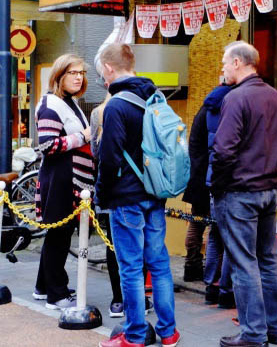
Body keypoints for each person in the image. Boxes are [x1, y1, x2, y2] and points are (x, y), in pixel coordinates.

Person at [96, 43, 180, 347]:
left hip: (126, 198)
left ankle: (133, 335)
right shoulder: (155, 96)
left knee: (130, 268)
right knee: (158, 264)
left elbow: (109, 157)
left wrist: (101, 196)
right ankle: (168, 332)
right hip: (155, 192)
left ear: (108, 68)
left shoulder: (117, 105)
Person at [211, 42, 277, 347]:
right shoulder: (276, 97)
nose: (223, 68)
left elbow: (223, 150)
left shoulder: (236, 97)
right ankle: (274, 329)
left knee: (244, 262)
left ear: (239, 62)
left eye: (226, 63)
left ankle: (253, 333)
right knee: (268, 259)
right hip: (269, 188)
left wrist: (217, 185)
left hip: (240, 190)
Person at [32, 53, 94, 310]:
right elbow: (47, 145)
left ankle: (43, 286)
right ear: (59, 75)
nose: (79, 78)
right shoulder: (51, 104)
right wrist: (83, 136)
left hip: (69, 176)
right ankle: (55, 295)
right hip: (60, 177)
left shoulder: (69, 102)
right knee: (59, 234)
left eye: (81, 73)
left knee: (58, 234)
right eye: (73, 73)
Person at [90, 92, 153, 319]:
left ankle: (119, 300)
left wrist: (101, 192)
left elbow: (97, 153)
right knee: (141, 245)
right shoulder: (144, 107)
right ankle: (138, 303)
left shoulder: (100, 112)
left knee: (114, 244)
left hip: (112, 187)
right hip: (144, 186)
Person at [201, 84, 235, 309]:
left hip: (213, 175)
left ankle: (211, 286)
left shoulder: (211, 104)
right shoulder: (233, 103)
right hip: (230, 177)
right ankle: (226, 290)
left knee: (215, 233)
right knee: (232, 236)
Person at [183, 101, 210, 283]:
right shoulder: (212, 113)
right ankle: (194, 265)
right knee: (203, 223)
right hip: (205, 175)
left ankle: (191, 265)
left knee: (197, 221)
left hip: (197, 174)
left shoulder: (203, 111)